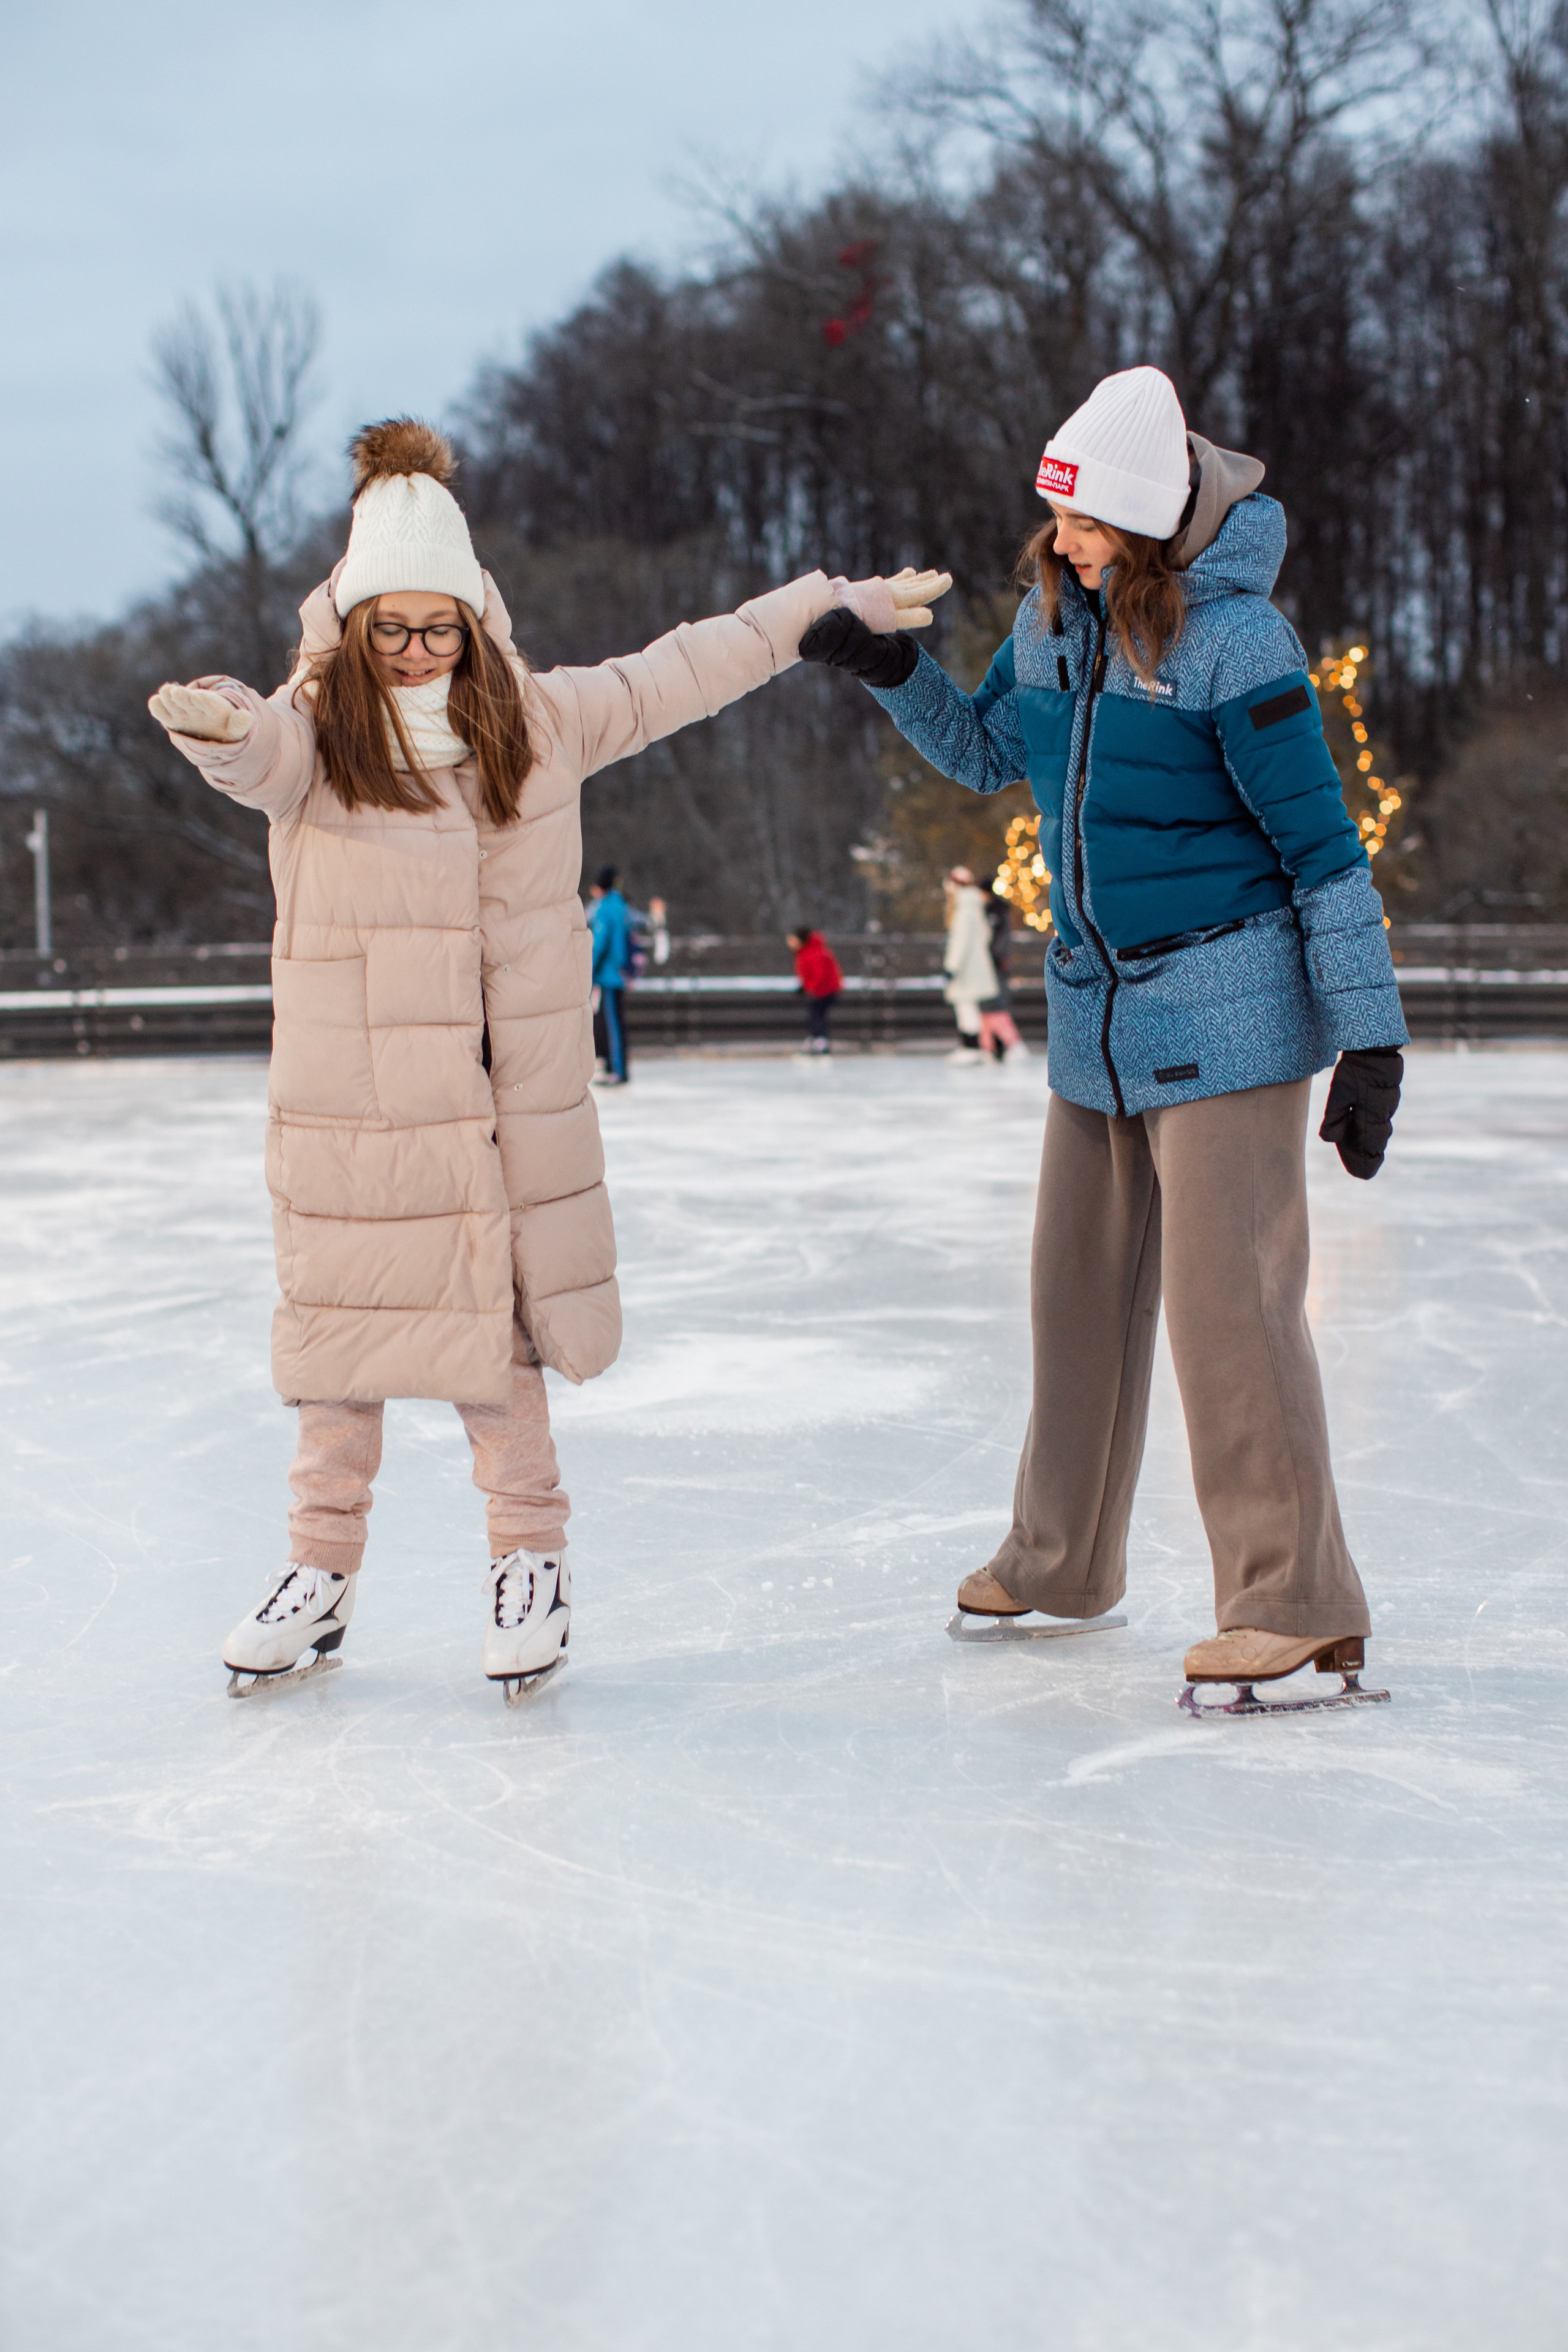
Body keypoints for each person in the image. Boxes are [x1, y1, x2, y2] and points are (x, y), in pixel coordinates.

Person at [145, 416, 947, 1700]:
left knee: (499, 1349)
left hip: (502, 1105)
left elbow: (687, 667)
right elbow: (257, 750)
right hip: (357, 1106)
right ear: (351, 628)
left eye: (439, 628)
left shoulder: (545, 725)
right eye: (391, 629)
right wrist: (220, 726)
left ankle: (531, 1560)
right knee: (340, 1353)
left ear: (474, 622)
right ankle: (319, 1569)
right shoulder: (317, 744)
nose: (415, 653)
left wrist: (824, 606)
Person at [797, 367, 1406, 1709]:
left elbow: (1321, 853)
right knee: (1072, 1297)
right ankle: (1060, 1559)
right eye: (1052, 519)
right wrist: (893, 669)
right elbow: (981, 756)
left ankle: (1292, 1599)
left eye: (1081, 525)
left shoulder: (1239, 646)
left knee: (1226, 1316)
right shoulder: (1049, 624)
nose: (1057, 543)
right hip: (1097, 1016)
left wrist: (1368, 1039)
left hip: (1230, 1010)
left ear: (1145, 526)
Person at [941, 867, 1001, 1065]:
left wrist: (952, 966)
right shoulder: (975, 906)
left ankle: (971, 1047)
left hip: (965, 969)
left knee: (965, 1007)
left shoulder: (964, 910)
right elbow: (986, 935)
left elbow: (961, 942)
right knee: (970, 1007)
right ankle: (972, 1047)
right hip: (975, 966)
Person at [588, 865, 633, 1086]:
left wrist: (590, 968)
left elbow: (600, 943)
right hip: (619, 973)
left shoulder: (604, 909)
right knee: (617, 1023)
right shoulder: (621, 905)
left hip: (608, 975)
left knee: (612, 1024)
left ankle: (617, 1070)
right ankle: (618, 1067)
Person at [979, 887, 1028, 1063]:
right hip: (991, 966)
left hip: (994, 967)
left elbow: (1001, 941)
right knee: (987, 1010)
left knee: (993, 1008)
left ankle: (1009, 1045)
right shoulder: (993, 911)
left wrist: (995, 956)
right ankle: (991, 1048)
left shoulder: (995, 912)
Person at [787, 922, 843, 1054]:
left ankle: (820, 1040)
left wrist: (808, 988)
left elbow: (819, 975)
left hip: (826, 990)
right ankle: (817, 1039)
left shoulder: (813, 952)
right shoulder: (807, 951)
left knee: (816, 1013)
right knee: (816, 1013)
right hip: (822, 989)